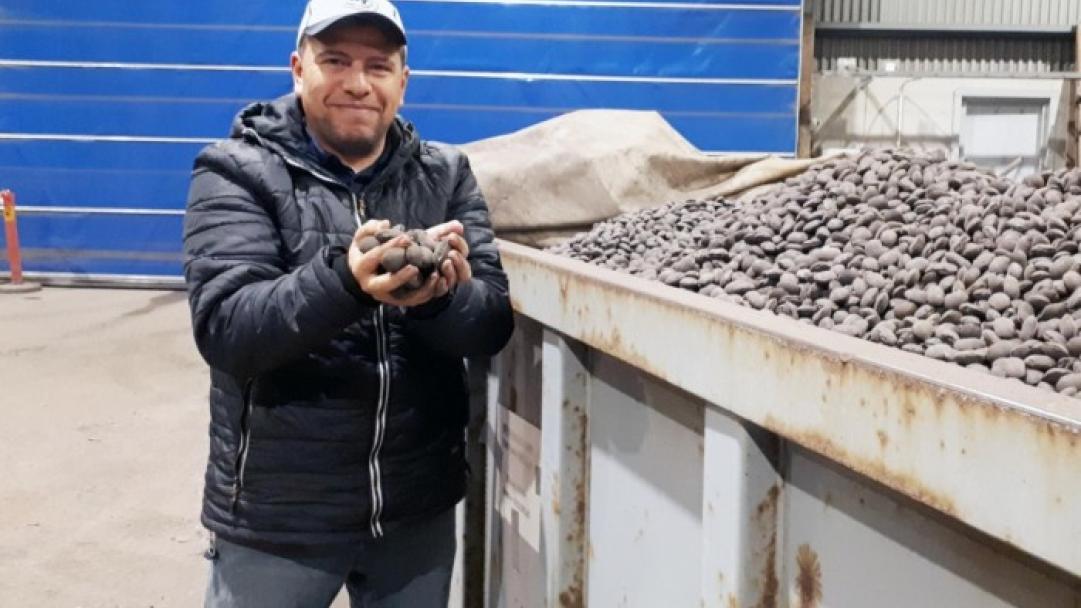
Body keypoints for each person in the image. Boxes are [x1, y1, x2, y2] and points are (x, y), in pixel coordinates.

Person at [182, 0, 514, 604]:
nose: (358, 83)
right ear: (298, 69)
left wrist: (439, 301)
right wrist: (345, 283)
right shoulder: (235, 171)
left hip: (416, 509)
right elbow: (228, 329)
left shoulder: (446, 174)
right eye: (335, 60)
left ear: (403, 81)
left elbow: (491, 326)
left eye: (378, 66)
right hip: (280, 518)